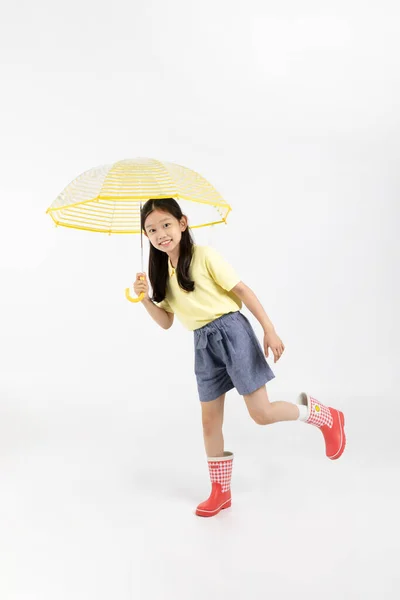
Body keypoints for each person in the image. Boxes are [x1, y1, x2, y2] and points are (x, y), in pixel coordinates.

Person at [133, 198, 346, 518]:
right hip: (203, 344)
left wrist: (269, 330)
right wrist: (144, 299)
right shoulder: (161, 272)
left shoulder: (204, 257)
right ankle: (220, 491)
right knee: (209, 421)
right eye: (151, 229)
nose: (161, 233)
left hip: (232, 333)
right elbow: (166, 322)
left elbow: (243, 291)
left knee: (261, 413)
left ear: (183, 223)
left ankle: (324, 416)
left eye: (166, 224)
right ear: (146, 235)